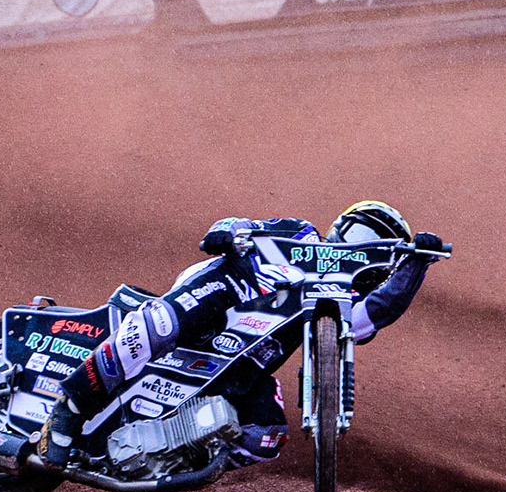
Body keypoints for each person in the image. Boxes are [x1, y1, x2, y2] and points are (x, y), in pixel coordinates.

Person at [36, 201, 443, 468]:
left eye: (378, 249)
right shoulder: (299, 233)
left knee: (266, 437)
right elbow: (238, 225)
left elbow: (376, 313)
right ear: (340, 229)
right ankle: (69, 406)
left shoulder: (338, 305)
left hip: (240, 366)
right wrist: (227, 234)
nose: (361, 252)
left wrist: (416, 264)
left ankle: (169, 454)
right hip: (220, 298)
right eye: (361, 237)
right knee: (160, 324)